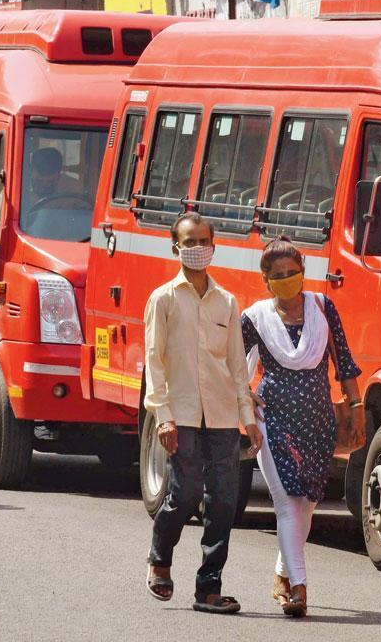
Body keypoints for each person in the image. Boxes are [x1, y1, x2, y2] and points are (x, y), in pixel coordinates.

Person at [144, 212, 263, 615]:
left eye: (203, 242)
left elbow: (235, 366)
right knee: (186, 493)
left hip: (223, 415)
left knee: (224, 502)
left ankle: (208, 588)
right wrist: (163, 415)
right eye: (189, 242)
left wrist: (247, 416)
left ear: (214, 245)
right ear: (175, 246)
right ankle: (160, 559)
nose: (197, 249)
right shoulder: (162, 299)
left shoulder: (227, 302)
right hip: (180, 414)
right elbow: (154, 361)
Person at [241, 236, 362, 617]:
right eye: (278, 275)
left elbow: (344, 362)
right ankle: (299, 585)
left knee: (308, 504)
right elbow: (231, 368)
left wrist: (356, 406)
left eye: (292, 273)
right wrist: (245, 399)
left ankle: (281, 574)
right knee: (288, 503)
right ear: (266, 279)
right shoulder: (254, 318)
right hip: (273, 420)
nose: (287, 279)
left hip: (318, 421)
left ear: (303, 273)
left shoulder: (323, 308)